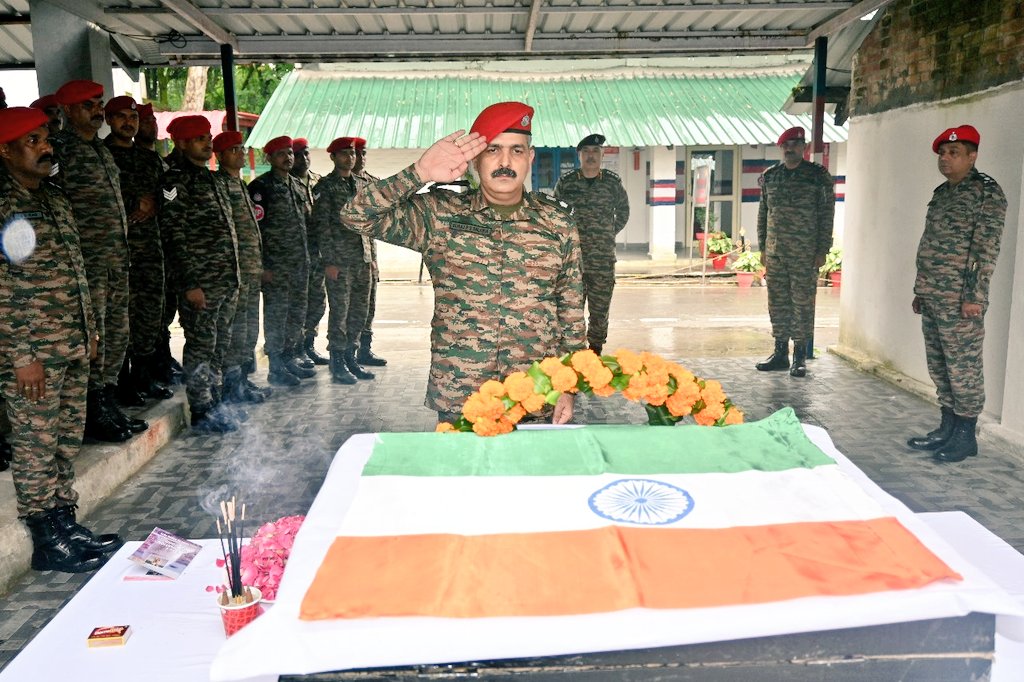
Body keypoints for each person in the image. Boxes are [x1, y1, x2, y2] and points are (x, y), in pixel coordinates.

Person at [340, 102, 585, 424]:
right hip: (462, 392)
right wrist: (419, 173)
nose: (505, 162)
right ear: (475, 159)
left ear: (531, 157)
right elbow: (355, 215)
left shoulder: (557, 223)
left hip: (537, 390)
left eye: (516, 151)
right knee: (462, 473)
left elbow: (571, 313)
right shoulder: (439, 215)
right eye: (493, 150)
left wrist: (569, 386)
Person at [0, 106, 122, 572]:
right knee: (35, 443)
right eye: (31, 141)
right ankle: (46, 538)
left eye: (45, 138)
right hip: (33, 354)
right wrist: (21, 355)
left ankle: (65, 522)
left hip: (70, 344)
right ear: (5, 150)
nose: (46, 147)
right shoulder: (4, 203)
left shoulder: (54, 196)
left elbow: (76, 272)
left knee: (66, 440)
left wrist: (89, 332)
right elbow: (6, 288)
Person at [50, 79, 144, 442]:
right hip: (86, 263)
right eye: (88, 104)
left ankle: (106, 398)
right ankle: (90, 411)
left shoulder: (103, 151)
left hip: (116, 259)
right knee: (95, 335)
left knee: (117, 333)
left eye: (98, 102)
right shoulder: (60, 150)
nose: (97, 109)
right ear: (69, 111)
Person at [907, 125, 1006, 463]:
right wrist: (920, 289)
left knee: (963, 367)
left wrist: (974, 297)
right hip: (934, 295)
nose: (946, 159)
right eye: (942, 154)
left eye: (954, 153)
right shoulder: (942, 193)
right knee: (940, 364)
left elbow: (985, 250)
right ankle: (947, 426)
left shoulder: (986, 193)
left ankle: (965, 435)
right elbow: (929, 244)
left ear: (972, 156)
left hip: (961, 300)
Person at [159, 116, 241, 433]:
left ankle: (216, 402)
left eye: (208, 136)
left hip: (225, 281)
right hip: (202, 285)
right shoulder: (175, 183)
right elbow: (174, 236)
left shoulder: (211, 179)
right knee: (200, 348)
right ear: (180, 143)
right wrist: (190, 284)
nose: (207, 143)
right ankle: (202, 410)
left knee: (218, 347)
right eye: (198, 139)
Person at [103, 96, 174, 405]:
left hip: (151, 250)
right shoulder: (103, 156)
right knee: (123, 320)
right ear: (109, 120)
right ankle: (122, 383)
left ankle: (145, 377)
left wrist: (157, 203)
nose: (128, 123)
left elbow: (169, 192)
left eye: (132, 117)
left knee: (151, 317)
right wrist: (135, 203)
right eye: (120, 117)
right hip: (119, 252)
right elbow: (98, 198)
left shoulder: (149, 158)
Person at [755, 126, 835, 378]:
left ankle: (799, 355)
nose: (790, 149)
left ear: (804, 147)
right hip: (776, 252)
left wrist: (822, 249)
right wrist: (763, 248)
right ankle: (780, 352)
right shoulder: (771, 177)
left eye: (795, 144)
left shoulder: (817, 176)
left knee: (802, 303)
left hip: (805, 253)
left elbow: (826, 214)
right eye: (786, 145)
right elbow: (764, 214)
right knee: (777, 303)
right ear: (781, 148)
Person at [554, 133, 630, 355]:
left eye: (595, 151)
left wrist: (607, 233)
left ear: (602, 155)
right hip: (573, 259)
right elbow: (556, 215)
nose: (590, 156)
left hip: (602, 259)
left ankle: (595, 351)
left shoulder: (612, 183)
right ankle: (574, 355)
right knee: (571, 308)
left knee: (599, 309)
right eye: (586, 151)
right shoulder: (566, 184)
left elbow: (623, 211)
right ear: (579, 155)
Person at [213, 130, 273, 404]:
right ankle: (231, 387)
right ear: (220, 155)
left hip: (250, 271)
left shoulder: (241, 185)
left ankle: (242, 382)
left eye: (241, 148)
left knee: (249, 331)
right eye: (233, 149)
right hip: (233, 274)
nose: (239, 153)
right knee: (235, 332)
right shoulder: (219, 185)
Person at [308, 137, 375, 385]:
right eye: (345, 154)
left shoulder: (359, 184)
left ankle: (351, 357)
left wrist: (370, 257)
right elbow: (321, 226)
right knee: (341, 313)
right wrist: (329, 261)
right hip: (340, 261)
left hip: (362, 259)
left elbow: (368, 222)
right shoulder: (326, 187)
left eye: (353, 153)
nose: (351, 158)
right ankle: (337, 361)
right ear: (333, 157)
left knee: (359, 311)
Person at [248, 136, 314, 386]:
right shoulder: (260, 188)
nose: (287, 158)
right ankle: (275, 366)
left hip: (300, 264)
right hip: (276, 267)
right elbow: (256, 230)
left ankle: (288, 359)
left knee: (296, 314)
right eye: (280, 154)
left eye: (290, 153)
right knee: (277, 315)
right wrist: (263, 266)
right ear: (269, 158)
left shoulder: (297, 185)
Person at [291, 137, 328, 366]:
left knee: (317, 302)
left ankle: (309, 345)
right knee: (298, 304)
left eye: (306, 153)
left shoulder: (318, 182)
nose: (303, 158)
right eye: (298, 154)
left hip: (317, 255)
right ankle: (295, 349)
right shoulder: (287, 182)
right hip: (295, 257)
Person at [352, 137, 387, 367]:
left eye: (363, 153)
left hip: (368, 256)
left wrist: (373, 259)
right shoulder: (341, 184)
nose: (360, 158)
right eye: (356, 153)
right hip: (347, 258)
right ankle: (347, 353)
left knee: (368, 305)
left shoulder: (372, 183)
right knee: (350, 309)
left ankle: (365, 349)